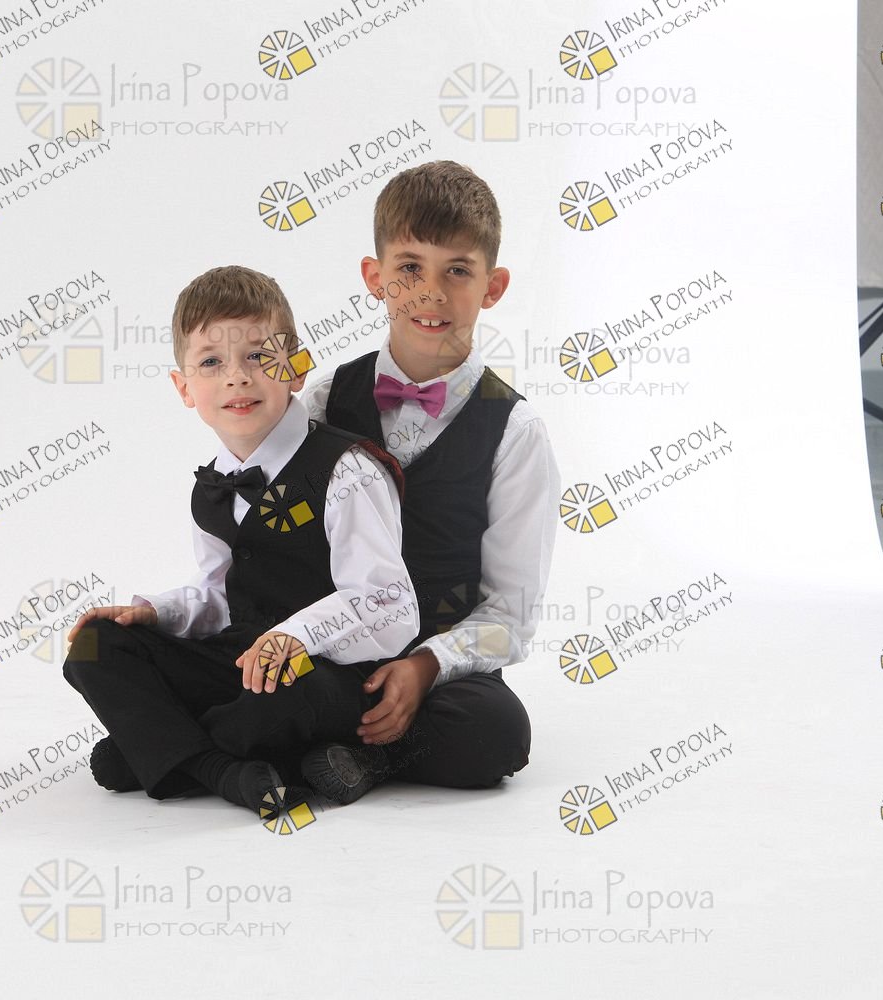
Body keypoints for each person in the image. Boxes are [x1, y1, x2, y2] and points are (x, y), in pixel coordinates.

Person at [61, 265, 418, 821]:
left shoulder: (347, 469)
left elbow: (391, 605)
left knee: (280, 699)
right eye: (211, 362)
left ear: (296, 367)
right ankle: (221, 771)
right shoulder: (213, 485)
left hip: (323, 673)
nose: (237, 378)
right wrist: (156, 613)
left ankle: (159, 748)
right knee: (95, 646)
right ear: (184, 388)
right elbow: (220, 596)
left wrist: (296, 636)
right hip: (240, 663)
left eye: (257, 355)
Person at [297, 159, 562, 804]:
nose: (430, 293)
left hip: (443, 667)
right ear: (375, 277)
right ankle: (321, 741)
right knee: (255, 672)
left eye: (458, 271)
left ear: (493, 286)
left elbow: (509, 612)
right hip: (333, 646)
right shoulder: (326, 400)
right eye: (410, 268)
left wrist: (426, 665)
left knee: (496, 732)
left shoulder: (516, 431)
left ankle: (356, 754)